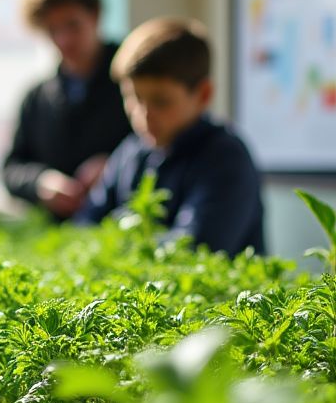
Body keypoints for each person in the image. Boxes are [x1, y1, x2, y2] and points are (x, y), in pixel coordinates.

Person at [75, 16, 265, 256]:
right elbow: (86, 224)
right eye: (133, 98)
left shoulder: (225, 158)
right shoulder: (131, 152)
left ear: (203, 95)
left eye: (160, 101)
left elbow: (193, 250)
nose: (143, 114)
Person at [3, 0, 131, 219]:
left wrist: (117, 166)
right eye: (53, 30)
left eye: (73, 25)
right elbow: (12, 168)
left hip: (126, 224)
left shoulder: (132, 78)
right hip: (61, 232)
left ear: (95, 15)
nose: (64, 40)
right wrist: (41, 182)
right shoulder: (37, 98)